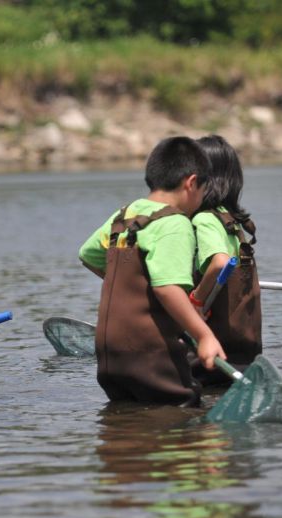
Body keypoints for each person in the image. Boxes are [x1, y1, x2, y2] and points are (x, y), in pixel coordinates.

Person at [78, 136, 226, 407]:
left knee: (126, 421)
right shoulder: (175, 223)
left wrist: (130, 282)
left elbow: (88, 253)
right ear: (191, 183)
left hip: (110, 352)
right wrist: (205, 335)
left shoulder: (124, 216)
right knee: (184, 415)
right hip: (149, 351)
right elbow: (167, 288)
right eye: (204, 190)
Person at [189, 135, 261, 386]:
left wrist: (196, 299)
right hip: (244, 353)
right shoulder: (233, 221)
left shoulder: (205, 220)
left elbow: (219, 262)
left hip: (212, 357)